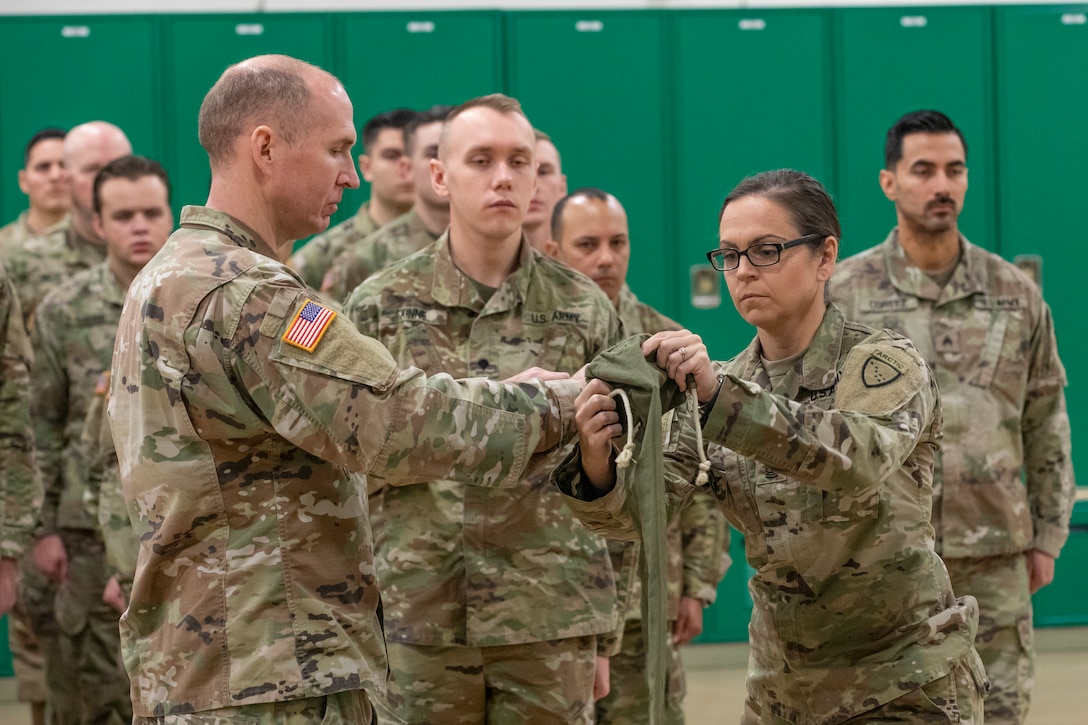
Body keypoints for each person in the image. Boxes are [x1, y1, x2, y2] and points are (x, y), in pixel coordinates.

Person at [108, 55, 582, 724]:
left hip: (206, 660)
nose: (351, 174)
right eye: (336, 148)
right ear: (266, 148)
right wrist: (557, 404)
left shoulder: (167, 276)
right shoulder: (250, 296)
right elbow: (394, 418)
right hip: (273, 672)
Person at [557, 169, 988, 724]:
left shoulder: (883, 365)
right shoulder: (721, 384)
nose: (743, 272)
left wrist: (720, 399)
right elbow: (645, 515)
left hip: (900, 684)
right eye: (730, 256)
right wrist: (598, 461)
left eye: (766, 251)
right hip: (784, 693)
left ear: (824, 257)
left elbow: (856, 460)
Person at [344, 94, 621, 725]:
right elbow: (349, 455)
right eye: (481, 159)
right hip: (420, 614)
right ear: (439, 176)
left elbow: (621, 483)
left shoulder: (585, 307)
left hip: (552, 615)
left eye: (518, 161)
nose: (503, 177)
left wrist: (605, 629)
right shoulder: (380, 305)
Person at [831, 110, 1075, 725]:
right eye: (923, 170)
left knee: (1000, 713)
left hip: (994, 557)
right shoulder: (844, 294)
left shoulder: (1014, 292)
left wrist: (1047, 534)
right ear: (889, 182)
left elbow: (1045, 416)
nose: (942, 184)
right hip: (882, 559)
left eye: (954, 169)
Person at [548, 187, 730, 724]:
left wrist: (697, 582)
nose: (606, 257)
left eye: (617, 242)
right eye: (588, 244)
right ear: (555, 252)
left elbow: (700, 465)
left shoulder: (662, 344)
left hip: (647, 593)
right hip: (557, 596)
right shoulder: (542, 343)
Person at [29, 155, 174, 725]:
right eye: (123, 215)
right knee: (87, 694)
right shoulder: (63, 311)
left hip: (177, 531)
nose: (139, 225)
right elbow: (38, 426)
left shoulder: (194, 300)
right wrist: (41, 532)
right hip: (85, 538)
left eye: (151, 212)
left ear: (171, 215)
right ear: (97, 224)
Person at [4, 121, 131, 323]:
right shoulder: (17, 259)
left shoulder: (154, 251)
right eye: (44, 167)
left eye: (61, 165)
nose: (55, 176)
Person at [323, 105, 452, 301]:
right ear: (407, 168)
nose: (444, 165)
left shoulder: (504, 246)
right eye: (433, 153)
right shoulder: (360, 260)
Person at [289, 107, 417, 289]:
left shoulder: (452, 244)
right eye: (392, 156)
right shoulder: (323, 256)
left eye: (416, 155)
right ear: (366, 167)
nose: (406, 167)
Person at [0, 128, 70, 257]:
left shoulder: (101, 244)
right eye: (43, 167)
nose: (55, 176)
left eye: (64, 165)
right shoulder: (3, 249)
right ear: (24, 181)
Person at [522, 130, 567, 252]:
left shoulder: (586, 267)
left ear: (562, 187)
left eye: (543, 172)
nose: (534, 187)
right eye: (521, 170)